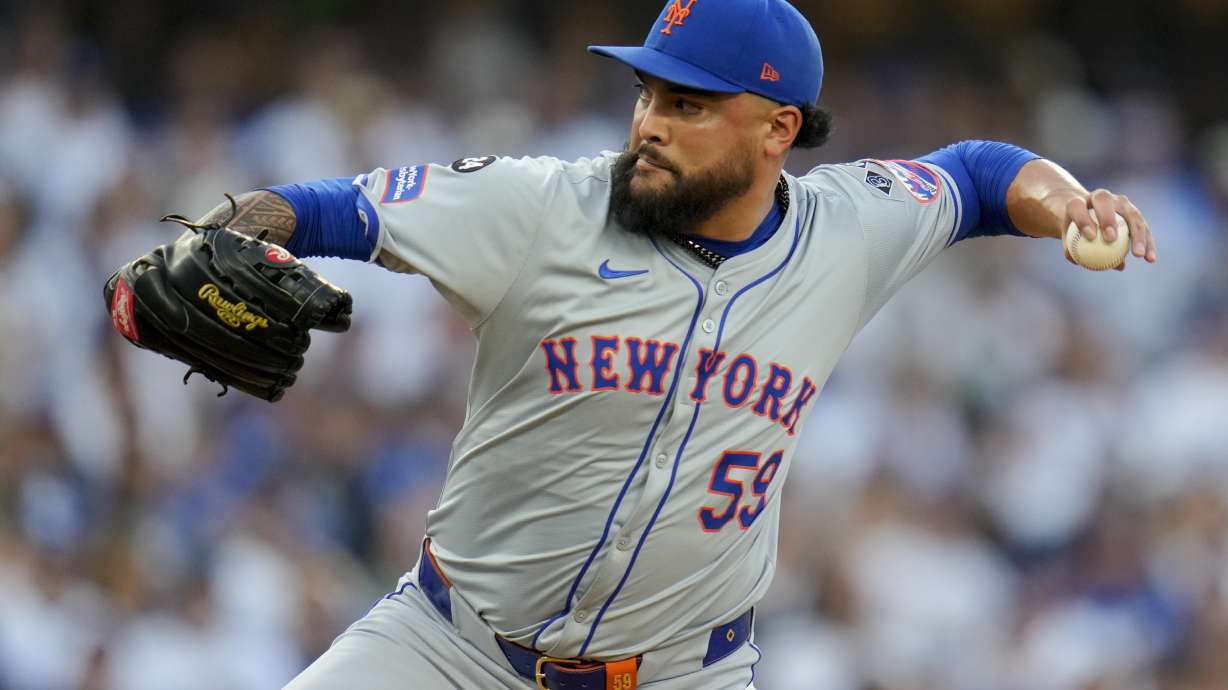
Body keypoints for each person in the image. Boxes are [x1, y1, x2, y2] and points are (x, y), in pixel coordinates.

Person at [185, 1, 1156, 688]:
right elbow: (328, 208)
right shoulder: (541, 206)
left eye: (688, 105)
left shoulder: (844, 229)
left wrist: (1066, 201)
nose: (650, 123)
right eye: (650, 93)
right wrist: (229, 225)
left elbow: (980, 175)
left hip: (683, 674)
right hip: (450, 654)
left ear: (778, 129)